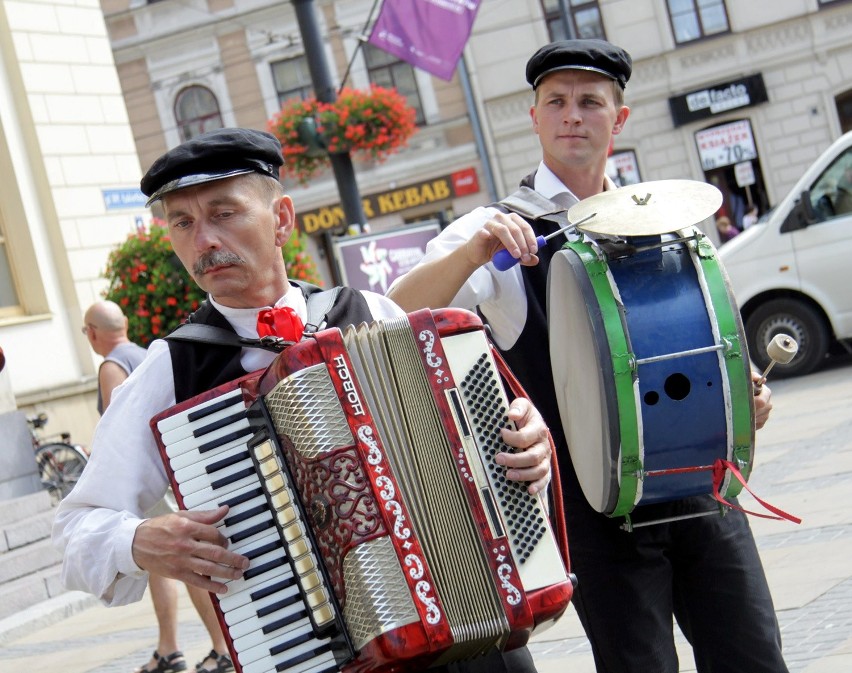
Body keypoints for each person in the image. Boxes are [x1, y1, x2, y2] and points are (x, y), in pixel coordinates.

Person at [54, 128, 553, 673]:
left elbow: (483, 444)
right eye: (183, 223)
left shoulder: (370, 311)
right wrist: (137, 540)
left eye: (223, 213)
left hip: (475, 635)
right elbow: (77, 527)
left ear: (283, 220)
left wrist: (528, 447)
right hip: (317, 653)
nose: (203, 241)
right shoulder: (172, 369)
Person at [387, 39, 788, 673]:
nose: (573, 115)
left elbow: (708, 340)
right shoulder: (495, 228)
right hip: (598, 511)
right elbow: (392, 313)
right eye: (558, 102)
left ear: (618, 119)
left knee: (754, 657)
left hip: (699, 487)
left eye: (591, 102)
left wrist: (742, 398)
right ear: (535, 116)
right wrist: (470, 255)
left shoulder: (664, 216)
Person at [82, 300, 232, 673]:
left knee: (178, 558)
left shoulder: (111, 366)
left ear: (94, 332)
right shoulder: (145, 355)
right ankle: (170, 648)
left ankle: (220, 647)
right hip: (175, 468)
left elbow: (118, 436)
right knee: (163, 565)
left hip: (150, 477)